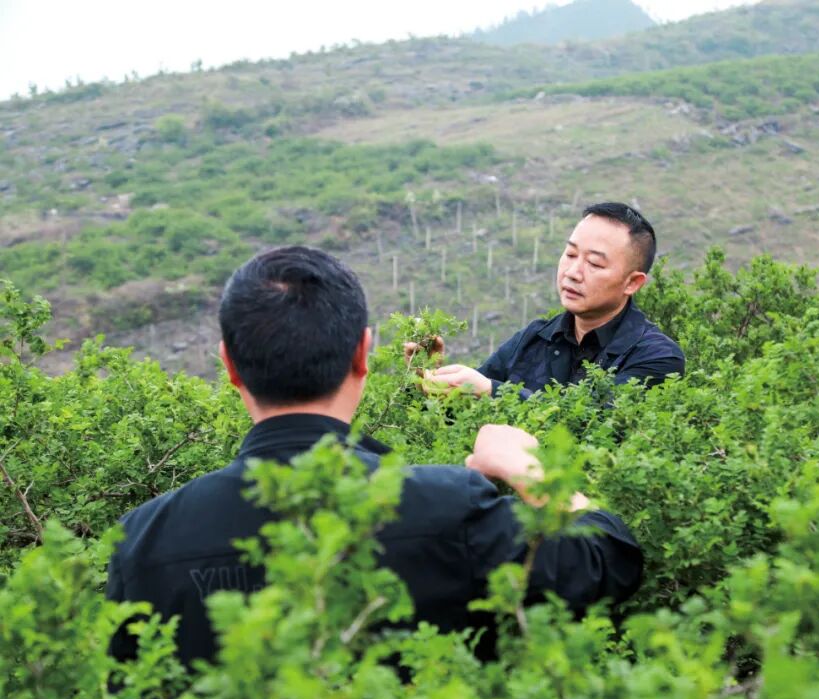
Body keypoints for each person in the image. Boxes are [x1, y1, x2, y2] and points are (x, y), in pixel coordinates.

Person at [106, 246, 643, 667]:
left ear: (230, 366)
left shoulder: (142, 538)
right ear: (363, 353)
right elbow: (607, 560)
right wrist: (532, 467)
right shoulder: (448, 507)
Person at [412, 202, 684, 400]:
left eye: (594, 263)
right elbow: (461, 414)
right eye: (570, 254)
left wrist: (492, 392)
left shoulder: (657, 358)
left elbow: (591, 423)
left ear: (632, 282)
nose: (573, 272)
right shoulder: (534, 338)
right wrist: (431, 379)